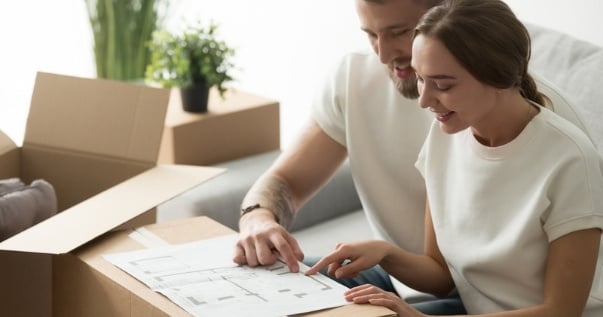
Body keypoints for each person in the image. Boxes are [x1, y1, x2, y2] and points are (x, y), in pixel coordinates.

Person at [233, 0, 595, 314]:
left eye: (397, 32)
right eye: (371, 35)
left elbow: (560, 311)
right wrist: (384, 252)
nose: (383, 55)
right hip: (447, 297)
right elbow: (439, 271)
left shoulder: (566, 152)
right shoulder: (444, 132)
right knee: (259, 288)